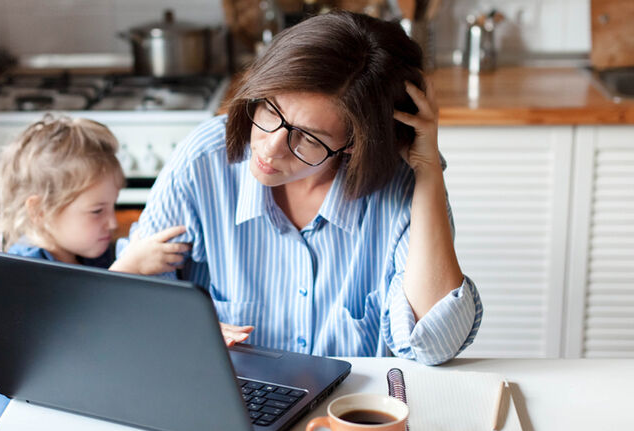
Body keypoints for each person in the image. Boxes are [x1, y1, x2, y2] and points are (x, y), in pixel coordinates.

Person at [121, 11, 483, 365]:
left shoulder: (402, 187)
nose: (270, 147)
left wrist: (429, 170)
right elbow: (131, 302)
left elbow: (434, 345)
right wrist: (188, 331)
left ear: (354, 144)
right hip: (226, 408)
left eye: (307, 137)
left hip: (346, 416)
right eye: (269, 109)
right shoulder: (204, 162)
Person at [0, 114, 189, 425]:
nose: (112, 222)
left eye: (113, 206)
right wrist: (128, 269)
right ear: (40, 211)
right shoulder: (24, 274)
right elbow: (75, 342)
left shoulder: (89, 253)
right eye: (96, 211)